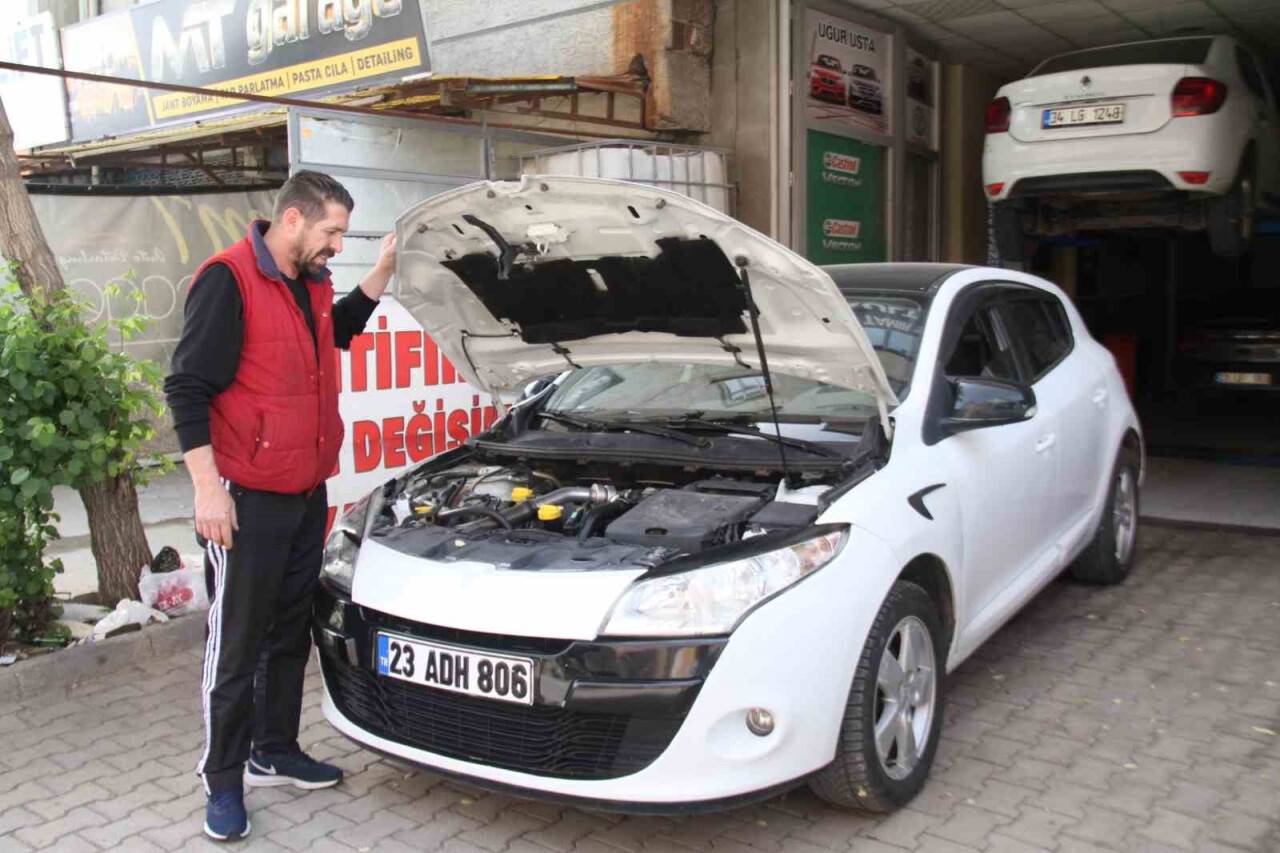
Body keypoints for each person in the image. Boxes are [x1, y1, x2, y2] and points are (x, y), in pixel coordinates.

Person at [164, 171, 395, 842]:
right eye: (332, 232)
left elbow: (339, 330)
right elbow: (186, 388)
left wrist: (383, 269)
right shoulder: (229, 280)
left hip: (304, 492)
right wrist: (208, 489)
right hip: (245, 500)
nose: (337, 245)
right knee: (236, 647)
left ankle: (274, 749)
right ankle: (223, 779)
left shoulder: (313, 282)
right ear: (292, 219)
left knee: (290, 631)